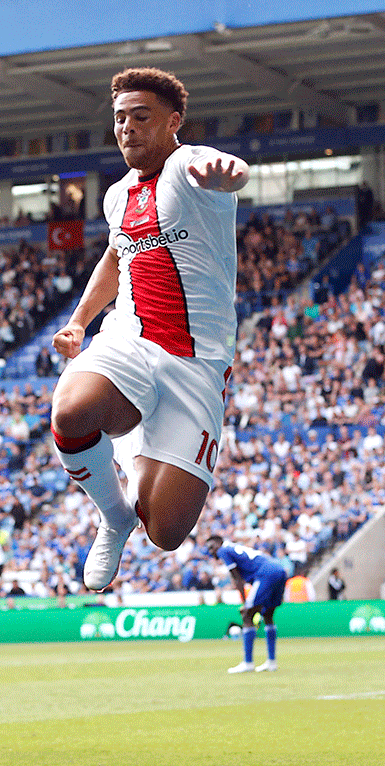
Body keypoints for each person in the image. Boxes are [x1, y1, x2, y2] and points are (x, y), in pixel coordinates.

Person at [50, 67, 249, 591]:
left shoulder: (187, 166)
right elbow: (116, 256)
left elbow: (224, 167)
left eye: (141, 117)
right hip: (130, 339)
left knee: (165, 531)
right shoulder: (117, 196)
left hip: (197, 363)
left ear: (172, 122)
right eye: (120, 119)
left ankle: (138, 507)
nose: (127, 128)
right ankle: (114, 517)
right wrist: (78, 322)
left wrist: (230, 172)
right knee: (70, 409)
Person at [205, 535, 286, 673]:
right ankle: (271, 662)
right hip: (279, 570)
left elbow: (238, 579)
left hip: (265, 574)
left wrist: (245, 603)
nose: (211, 551)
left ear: (219, 543)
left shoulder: (223, 550)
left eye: (212, 547)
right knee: (268, 615)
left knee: (247, 616)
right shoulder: (234, 547)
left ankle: (248, 663)